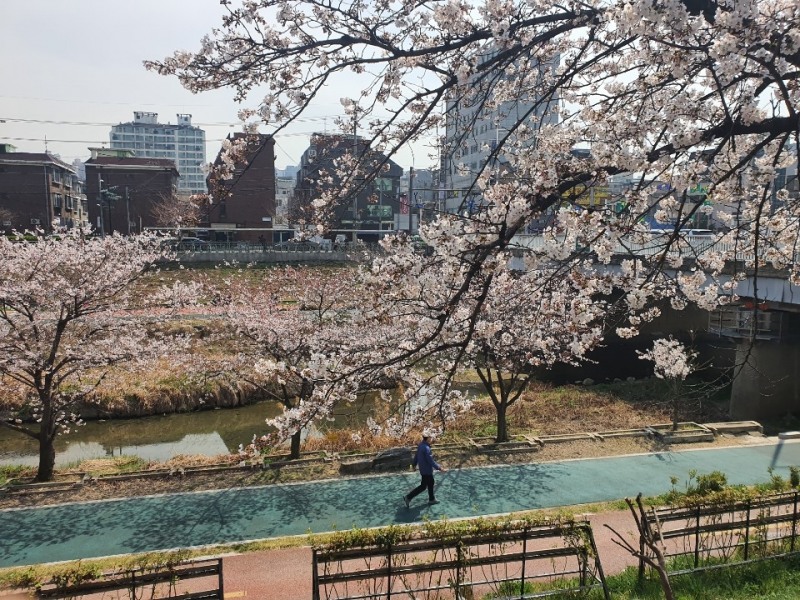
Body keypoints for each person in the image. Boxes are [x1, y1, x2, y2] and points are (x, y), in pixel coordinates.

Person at [404, 433, 445, 507]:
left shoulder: (420, 445)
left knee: (431, 482)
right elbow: (430, 460)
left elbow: (416, 456)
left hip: (423, 469)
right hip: (426, 470)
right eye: (431, 438)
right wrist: (439, 468)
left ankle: (431, 499)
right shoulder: (426, 448)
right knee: (423, 486)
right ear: (428, 438)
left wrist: (413, 464)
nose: (432, 439)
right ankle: (408, 497)